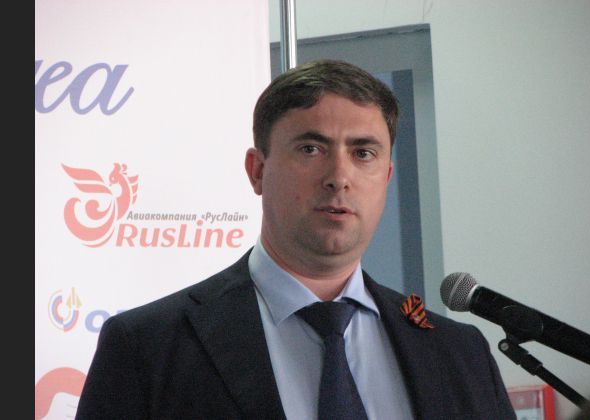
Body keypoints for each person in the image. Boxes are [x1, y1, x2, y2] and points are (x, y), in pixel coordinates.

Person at [76, 59, 516, 419]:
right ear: (257, 171)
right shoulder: (147, 347)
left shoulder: (460, 352)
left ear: (385, 178)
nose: (339, 177)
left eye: (363, 153)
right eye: (311, 149)